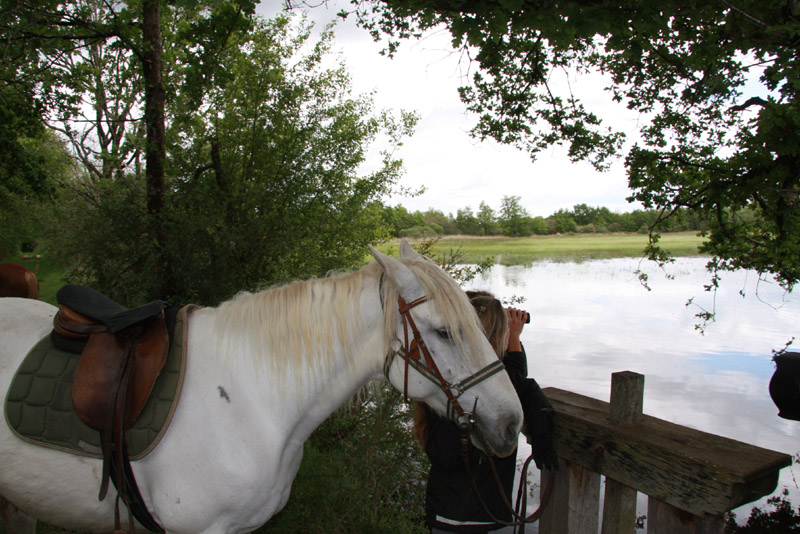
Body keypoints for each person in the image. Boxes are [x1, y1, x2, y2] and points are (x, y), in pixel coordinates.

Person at [413, 290, 557, 534]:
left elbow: (516, 384)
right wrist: (514, 340)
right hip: (480, 516)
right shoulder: (474, 387)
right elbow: (515, 385)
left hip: (445, 511)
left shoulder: (445, 378)